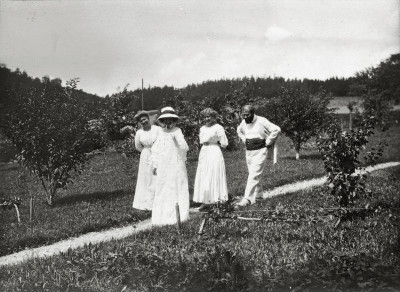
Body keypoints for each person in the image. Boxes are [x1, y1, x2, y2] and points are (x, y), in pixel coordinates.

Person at [151, 107, 190, 225]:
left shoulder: (177, 131)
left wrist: (177, 141)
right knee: (164, 186)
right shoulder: (160, 133)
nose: (168, 122)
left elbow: (185, 147)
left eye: (170, 120)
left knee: (177, 185)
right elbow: (155, 150)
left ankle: (179, 214)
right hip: (164, 165)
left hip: (175, 163)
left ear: (174, 120)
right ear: (162, 121)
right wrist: (155, 164)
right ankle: (163, 215)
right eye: (165, 120)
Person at [236, 104, 281, 206]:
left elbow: (276, 129)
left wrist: (268, 141)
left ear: (252, 113)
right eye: (243, 115)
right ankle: (259, 195)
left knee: (253, 175)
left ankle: (246, 199)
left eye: (247, 115)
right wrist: (244, 139)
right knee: (253, 174)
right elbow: (239, 130)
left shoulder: (262, 121)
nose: (245, 117)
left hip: (260, 151)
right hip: (249, 152)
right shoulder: (244, 122)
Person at [193, 108, 229, 210]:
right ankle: (206, 201)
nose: (207, 118)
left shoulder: (218, 127)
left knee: (213, 173)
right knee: (204, 175)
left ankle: (217, 200)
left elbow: (224, 143)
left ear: (214, 117)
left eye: (209, 116)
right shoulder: (202, 128)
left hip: (214, 151)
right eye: (205, 117)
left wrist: (216, 144)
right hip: (204, 151)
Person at [132, 111, 161, 211]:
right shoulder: (139, 132)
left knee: (156, 176)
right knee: (146, 178)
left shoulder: (157, 129)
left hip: (157, 154)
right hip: (145, 155)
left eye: (144, 119)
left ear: (148, 119)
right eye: (141, 121)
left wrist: (155, 151)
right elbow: (138, 146)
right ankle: (146, 202)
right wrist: (146, 151)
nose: (143, 122)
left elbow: (163, 141)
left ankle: (158, 201)